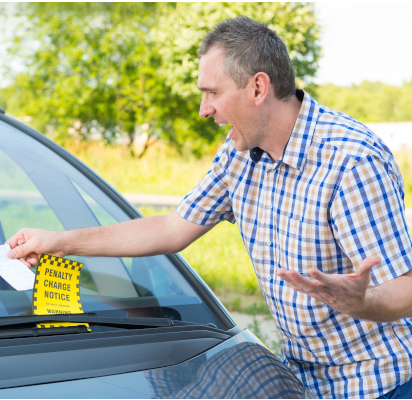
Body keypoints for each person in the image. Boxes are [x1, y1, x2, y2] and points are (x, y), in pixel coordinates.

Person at [6, 16, 412, 399]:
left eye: (213, 93)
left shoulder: (350, 162)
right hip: (297, 380)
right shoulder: (240, 155)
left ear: (257, 88)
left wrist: (363, 302)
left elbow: (406, 288)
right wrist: (60, 241)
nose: (204, 110)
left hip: (377, 383)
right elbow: (172, 228)